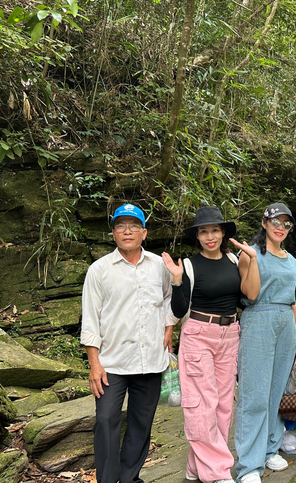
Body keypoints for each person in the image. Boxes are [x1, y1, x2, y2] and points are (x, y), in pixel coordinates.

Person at [161, 206, 259, 483]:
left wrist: (251, 260)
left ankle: (196, 467)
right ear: (198, 237)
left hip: (230, 334)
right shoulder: (190, 265)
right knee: (201, 405)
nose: (210, 236)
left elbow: (248, 297)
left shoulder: (233, 259)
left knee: (224, 405)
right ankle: (217, 471)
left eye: (215, 230)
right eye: (203, 232)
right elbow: (179, 310)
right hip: (199, 335)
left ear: (224, 233)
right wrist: (178, 280)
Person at [80, 203, 172, 483]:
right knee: (106, 420)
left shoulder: (159, 265)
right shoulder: (99, 270)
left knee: (141, 424)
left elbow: (170, 297)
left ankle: (130, 477)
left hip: (150, 360)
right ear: (113, 233)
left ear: (144, 233)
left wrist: (169, 325)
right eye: (121, 226)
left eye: (134, 226)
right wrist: (94, 363)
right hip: (112, 362)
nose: (127, 231)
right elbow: (90, 319)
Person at [234, 203, 296, 483]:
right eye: (276, 221)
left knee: (276, 391)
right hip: (258, 317)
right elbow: (249, 295)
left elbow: (293, 299)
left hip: (286, 321)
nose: (281, 227)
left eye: (286, 223)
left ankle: (270, 448)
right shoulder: (250, 253)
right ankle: (249, 466)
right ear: (264, 223)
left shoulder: (293, 259)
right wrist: (250, 258)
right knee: (254, 394)